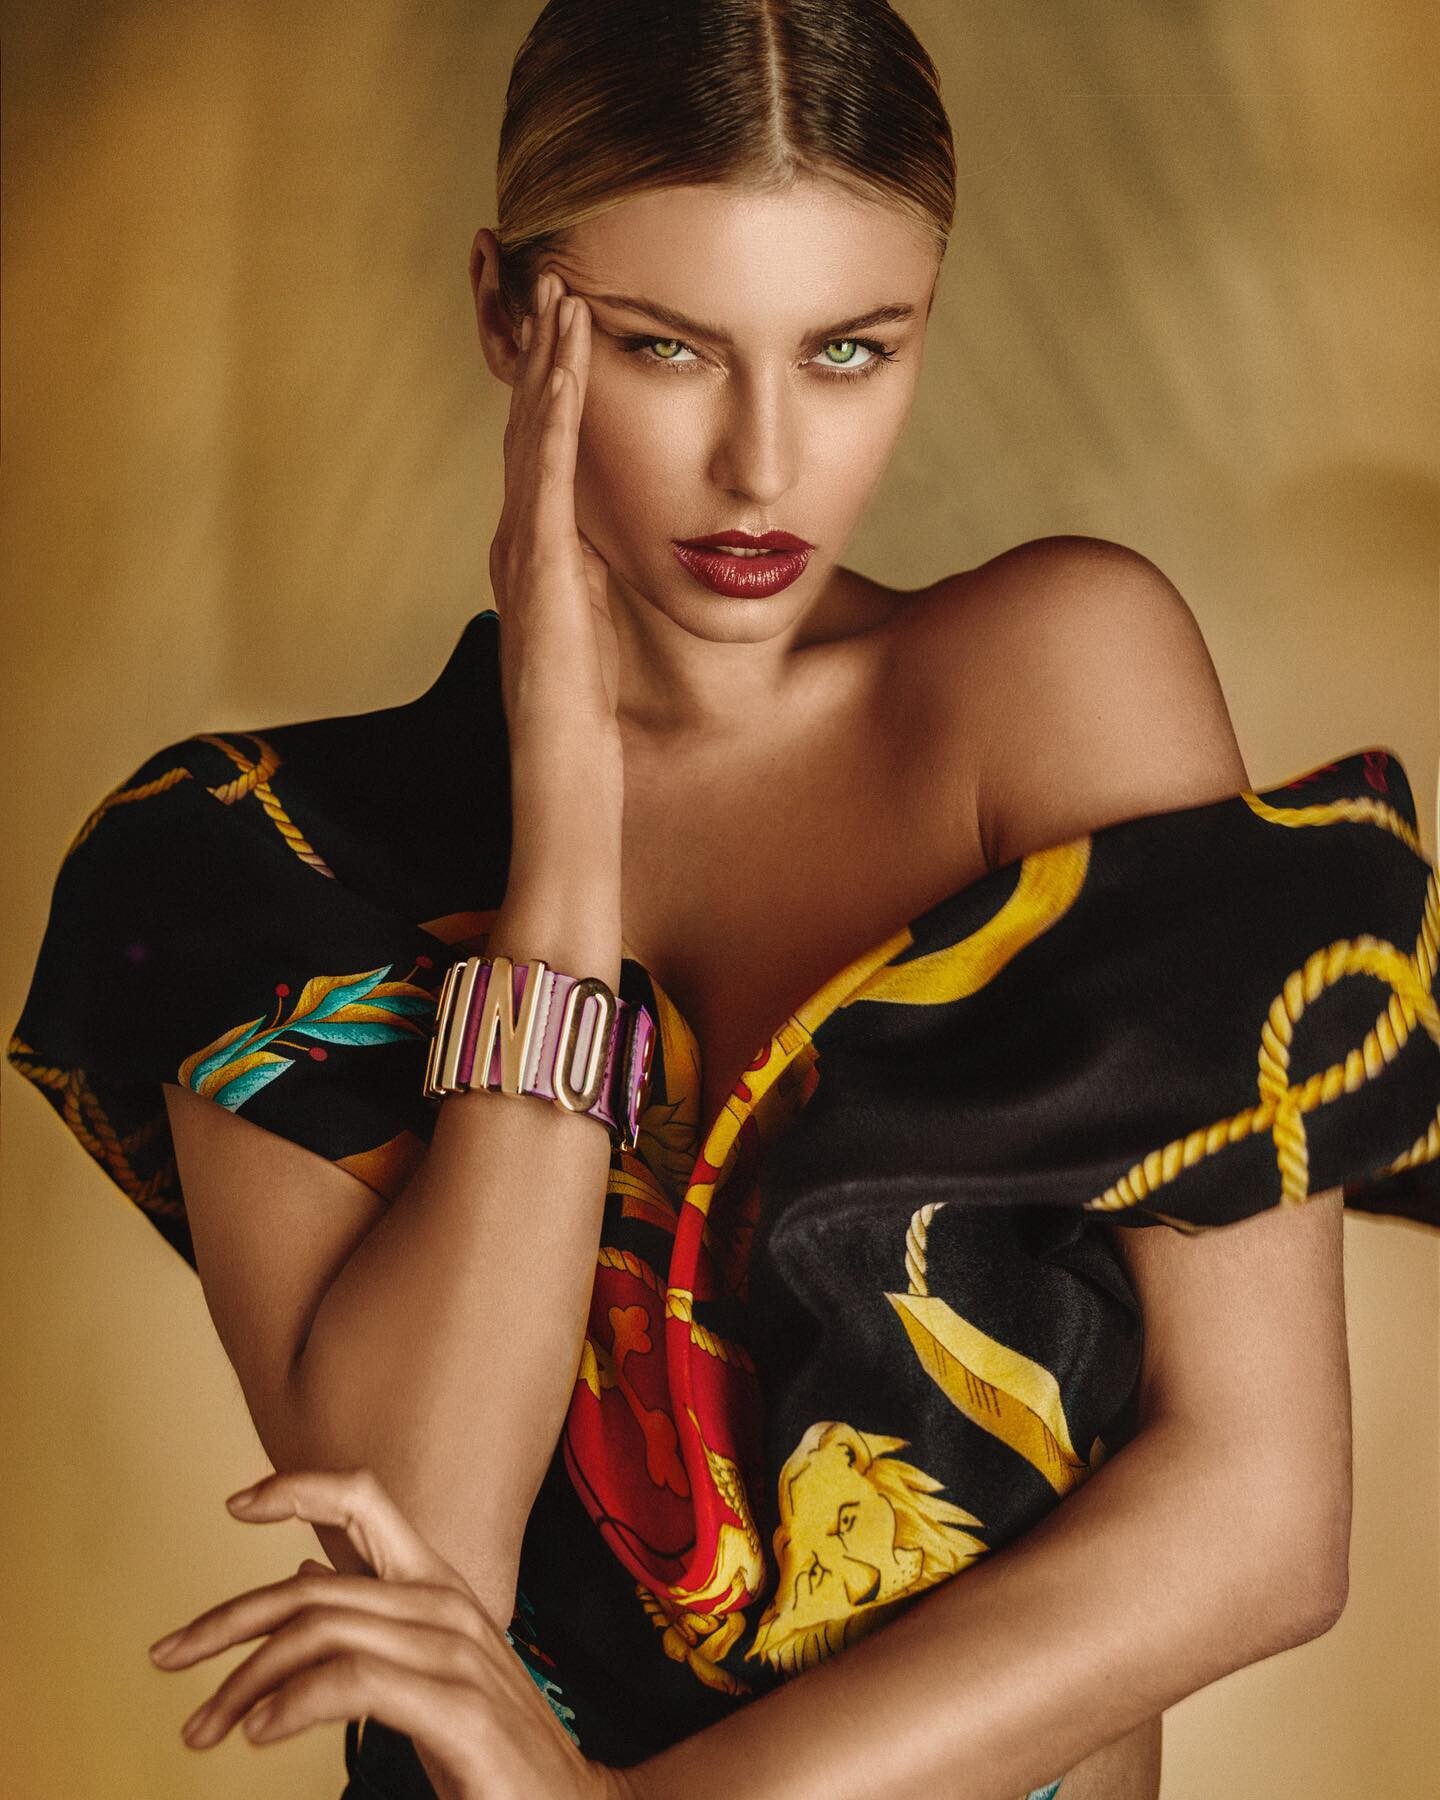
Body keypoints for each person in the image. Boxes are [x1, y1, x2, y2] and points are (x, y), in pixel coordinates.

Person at [8, 4, 1438, 1798]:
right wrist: (567, 822)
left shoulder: (1054, 686)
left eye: (850, 350)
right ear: (502, 312)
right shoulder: (257, 869)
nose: (764, 466)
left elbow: (1264, 1517)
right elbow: (428, 1550)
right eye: (667, 348)